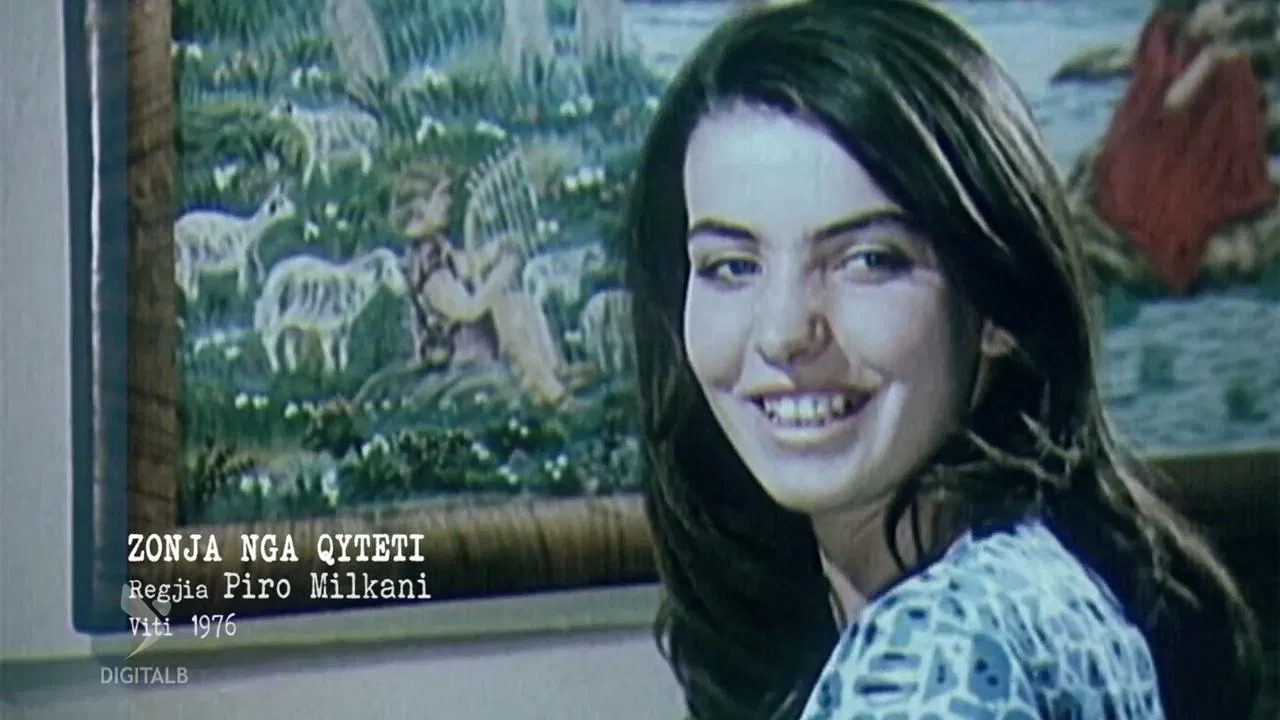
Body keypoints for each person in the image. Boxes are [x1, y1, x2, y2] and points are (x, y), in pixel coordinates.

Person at [621, 1, 1262, 719]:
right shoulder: (1045, 586)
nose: (783, 332)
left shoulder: (936, 655)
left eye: (870, 260)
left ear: (998, 304)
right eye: (732, 266)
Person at [1093, 0, 1276, 294]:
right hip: (1154, 144)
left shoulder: (1206, 37)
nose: (1224, 18)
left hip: (1192, 140)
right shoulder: (1164, 36)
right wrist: (1210, 59)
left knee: (1238, 74)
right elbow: (1170, 103)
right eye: (1220, 8)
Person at [389, 161, 571, 406]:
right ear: (420, 205)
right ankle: (552, 394)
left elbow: (466, 264)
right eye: (442, 195)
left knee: (519, 303)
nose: (449, 202)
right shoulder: (426, 262)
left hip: (472, 344)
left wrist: (496, 248)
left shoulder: (435, 246)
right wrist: (503, 271)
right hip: (457, 355)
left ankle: (553, 373)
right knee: (508, 312)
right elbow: (467, 309)